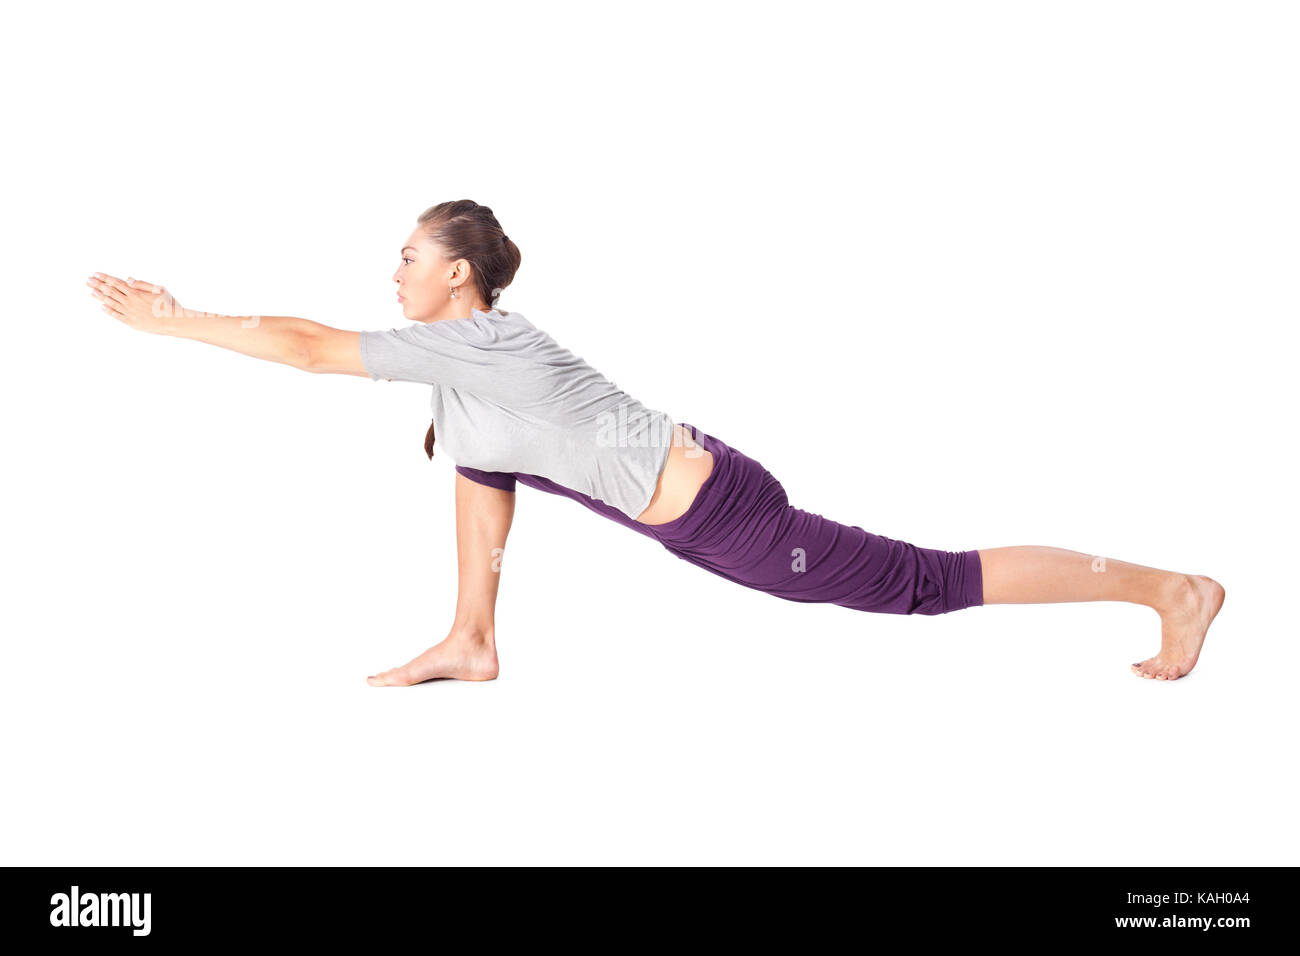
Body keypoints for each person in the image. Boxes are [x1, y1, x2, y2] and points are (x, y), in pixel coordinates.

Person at [87, 199, 1225, 686]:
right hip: (685, 502)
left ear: (457, 273)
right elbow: (484, 472)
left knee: (921, 584)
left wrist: (173, 319)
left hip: (723, 509)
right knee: (477, 455)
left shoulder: (473, 338)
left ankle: (1168, 586)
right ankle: (468, 641)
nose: (392, 271)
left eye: (406, 255)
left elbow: (308, 347)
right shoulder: (466, 373)